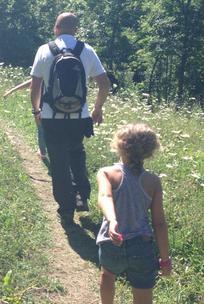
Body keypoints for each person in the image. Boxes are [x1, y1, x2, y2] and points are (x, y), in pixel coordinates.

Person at [30, 12, 110, 223]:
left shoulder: (44, 50)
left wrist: (36, 110)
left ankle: (66, 209)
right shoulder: (87, 50)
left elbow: (35, 85)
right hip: (79, 117)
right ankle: (81, 196)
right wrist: (97, 108)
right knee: (76, 153)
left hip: (51, 116)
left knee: (58, 162)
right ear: (75, 29)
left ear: (56, 27)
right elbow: (104, 83)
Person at [96, 123, 171, 304]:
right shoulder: (153, 181)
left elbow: (105, 196)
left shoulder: (107, 173)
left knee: (108, 275)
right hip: (141, 246)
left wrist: (112, 220)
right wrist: (165, 258)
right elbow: (159, 224)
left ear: (119, 146)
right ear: (150, 151)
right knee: (143, 289)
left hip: (112, 240)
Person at [3, 79, 47, 160]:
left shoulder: (42, 75)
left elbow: (32, 82)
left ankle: (43, 153)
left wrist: (12, 90)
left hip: (41, 108)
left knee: (41, 130)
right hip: (57, 109)